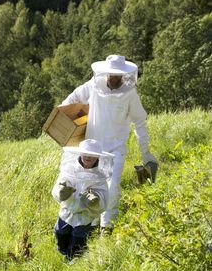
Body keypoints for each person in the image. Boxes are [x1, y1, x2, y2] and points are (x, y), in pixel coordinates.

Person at [61, 54, 158, 233]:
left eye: (117, 75)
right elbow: (69, 102)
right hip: (93, 150)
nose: (113, 78)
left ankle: (108, 228)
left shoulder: (130, 94)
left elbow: (140, 122)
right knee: (90, 189)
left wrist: (145, 153)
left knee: (112, 188)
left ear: (123, 75)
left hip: (115, 149)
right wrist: (68, 123)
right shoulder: (93, 86)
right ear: (105, 73)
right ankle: (91, 226)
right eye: (110, 74)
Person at [52, 139, 114, 260]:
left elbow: (104, 200)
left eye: (92, 155)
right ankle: (64, 255)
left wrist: (95, 200)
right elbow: (58, 187)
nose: (88, 157)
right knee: (61, 235)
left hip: (85, 215)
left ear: (98, 157)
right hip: (67, 211)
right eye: (85, 153)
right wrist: (61, 192)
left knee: (78, 242)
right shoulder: (70, 169)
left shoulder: (100, 176)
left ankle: (73, 262)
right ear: (80, 153)